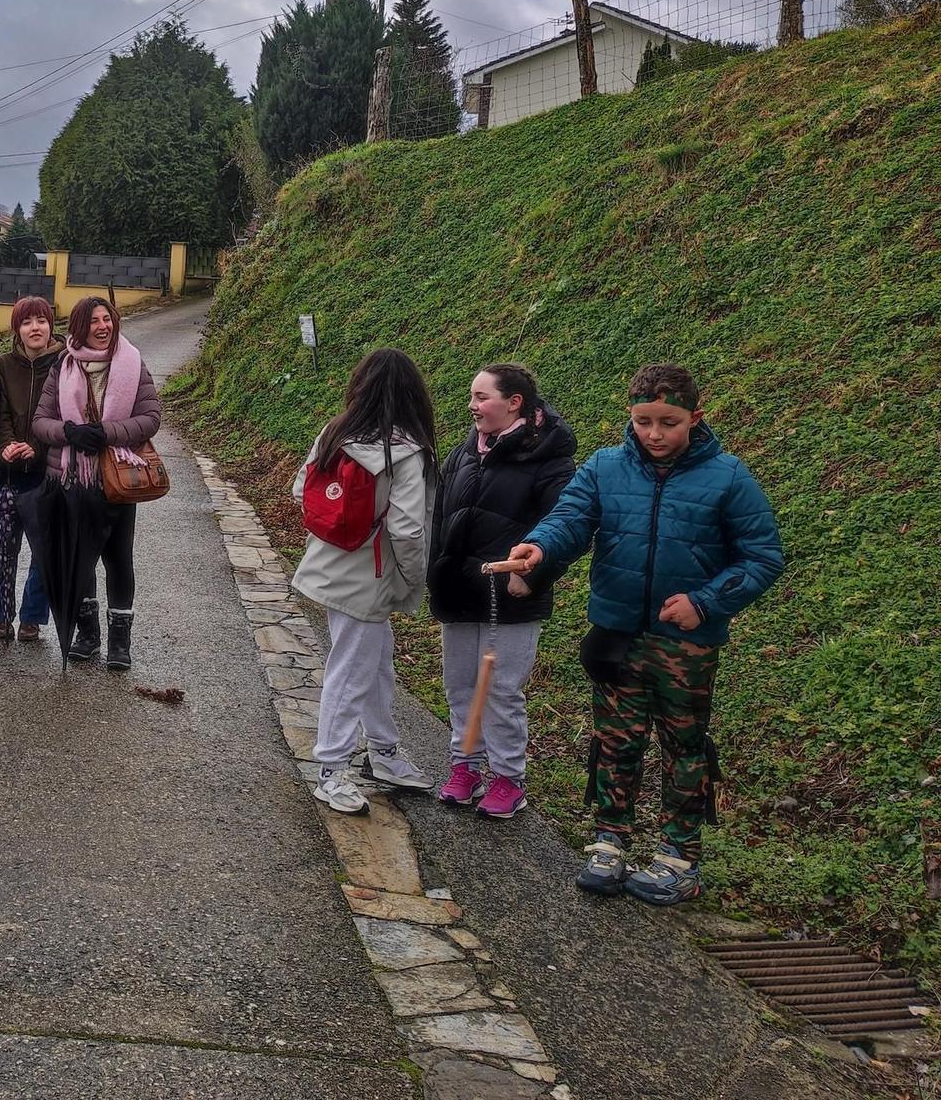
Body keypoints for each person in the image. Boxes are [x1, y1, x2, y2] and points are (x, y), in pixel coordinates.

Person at [509, 363, 783, 905]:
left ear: (695, 419)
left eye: (668, 422)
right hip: (615, 633)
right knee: (616, 740)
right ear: (629, 418)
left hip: (685, 644)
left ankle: (678, 857)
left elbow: (762, 557)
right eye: (643, 421)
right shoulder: (605, 468)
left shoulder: (728, 477)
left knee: (684, 747)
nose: (654, 434)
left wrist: (705, 603)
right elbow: (570, 519)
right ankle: (609, 841)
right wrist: (539, 547)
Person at [291, 348, 440, 815]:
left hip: (333, 563)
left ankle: (383, 751)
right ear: (414, 394)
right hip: (371, 574)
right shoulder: (407, 451)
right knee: (353, 669)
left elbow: (301, 489)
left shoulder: (337, 432)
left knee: (374, 663)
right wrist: (416, 578)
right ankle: (332, 769)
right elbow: (409, 528)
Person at [427, 363, 576, 820]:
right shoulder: (461, 454)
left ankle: (508, 777)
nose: (472, 406)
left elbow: (566, 527)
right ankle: (465, 767)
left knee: (502, 689)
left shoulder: (550, 460)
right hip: (459, 591)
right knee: (461, 686)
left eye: (482, 397)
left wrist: (529, 576)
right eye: (471, 397)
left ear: (514, 402)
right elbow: (439, 519)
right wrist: (435, 572)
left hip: (509, 595)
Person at [31, 296, 161, 669]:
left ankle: (120, 642)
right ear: (80, 327)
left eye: (108, 319)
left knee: (119, 559)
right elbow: (41, 421)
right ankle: (87, 635)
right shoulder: (64, 365)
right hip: (72, 478)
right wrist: (69, 431)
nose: (103, 326)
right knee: (80, 558)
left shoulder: (133, 363)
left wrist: (106, 432)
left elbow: (151, 417)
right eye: (94, 321)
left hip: (117, 478)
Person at [0, 297, 62, 641]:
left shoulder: (64, 363)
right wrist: (6, 446)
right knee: (2, 547)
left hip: (47, 473)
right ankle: (0, 615)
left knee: (44, 550)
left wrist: (38, 446)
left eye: (41, 321)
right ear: (17, 329)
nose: (36, 327)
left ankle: (33, 618)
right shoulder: (4, 364)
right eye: (27, 321)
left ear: (50, 325)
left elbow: (66, 415)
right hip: (10, 469)